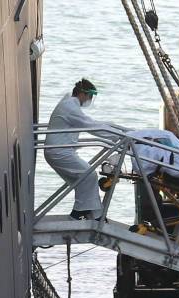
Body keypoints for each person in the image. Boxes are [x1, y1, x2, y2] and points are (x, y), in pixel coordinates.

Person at [44, 78, 124, 220]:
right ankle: (78, 214)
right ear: (82, 94)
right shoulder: (70, 108)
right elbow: (90, 126)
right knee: (89, 175)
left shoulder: (69, 104)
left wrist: (116, 129)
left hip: (60, 151)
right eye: (90, 96)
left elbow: (91, 122)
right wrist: (117, 137)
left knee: (82, 181)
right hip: (59, 152)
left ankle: (95, 215)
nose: (90, 100)